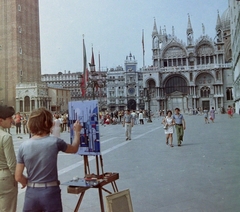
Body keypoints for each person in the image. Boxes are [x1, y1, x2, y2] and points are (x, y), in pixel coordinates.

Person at [15, 107, 82, 212]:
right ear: (49, 124)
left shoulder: (23, 146)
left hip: (31, 193)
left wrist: (27, 182)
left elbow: (18, 176)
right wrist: (77, 132)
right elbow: (74, 148)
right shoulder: (55, 142)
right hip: (50, 192)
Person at [0, 105, 18, 212]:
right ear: (1, 120)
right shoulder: (5, 136)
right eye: (9, 118)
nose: (12, 120)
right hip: (4, 177)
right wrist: (19, 177)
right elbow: (12, 164)